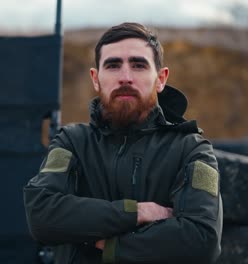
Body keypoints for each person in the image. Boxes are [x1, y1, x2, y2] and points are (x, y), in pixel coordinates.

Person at [23, 22, 222, 264]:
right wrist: (137, 212)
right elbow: (41, 214)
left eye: (138, 65)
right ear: (96, 79)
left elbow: (202, 241)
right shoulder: (72, 142)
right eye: (113, 65)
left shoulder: (191, 149)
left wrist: (111, 247)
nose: (125, 77)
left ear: (161, 79)